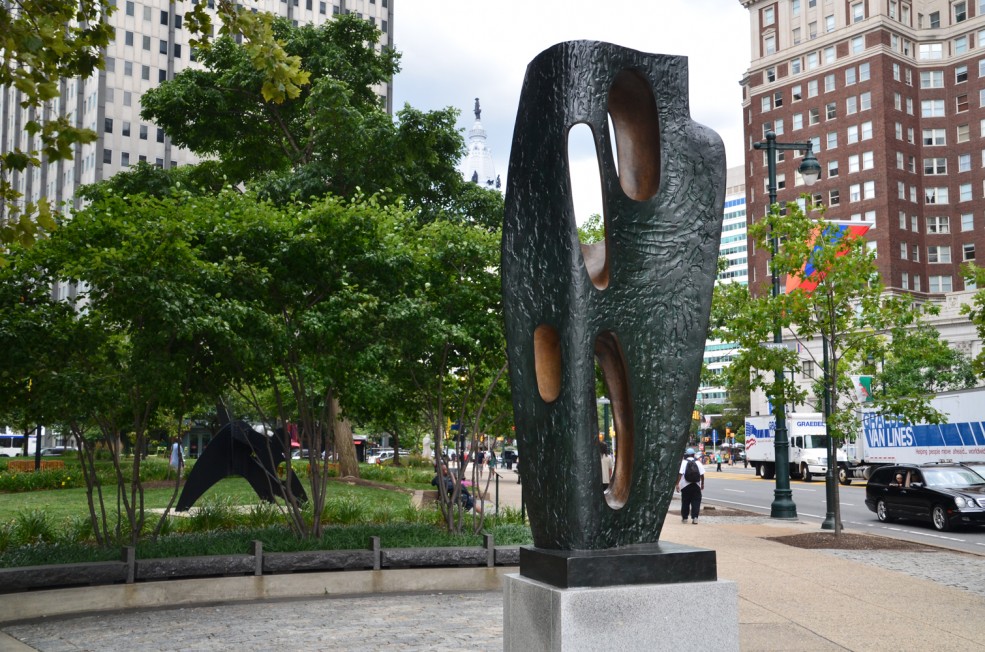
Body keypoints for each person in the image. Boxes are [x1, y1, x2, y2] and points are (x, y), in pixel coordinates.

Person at [676, 448, 705, 524]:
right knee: (696, 501)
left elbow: (680, 474)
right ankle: (695, 518)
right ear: (693, 454)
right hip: (696, 485)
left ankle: (685, 518)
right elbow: (702, 475)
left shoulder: (683, 462)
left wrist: (677, 484)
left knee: (685, 501)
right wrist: (702, 484)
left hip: (685, 485)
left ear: (686, 455)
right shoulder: (698, 463)